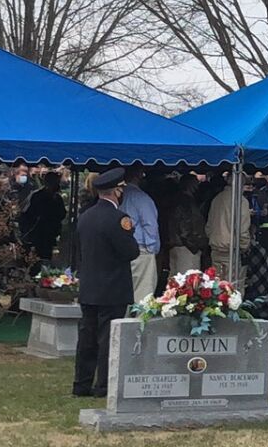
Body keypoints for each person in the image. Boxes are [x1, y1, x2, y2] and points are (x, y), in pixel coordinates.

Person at [71, 169, 142, 398]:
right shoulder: (119, 219)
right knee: (108, 339)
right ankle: (103, 385)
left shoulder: (85, 216)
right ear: (117, 191)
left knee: (87, 338)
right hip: (113, 288)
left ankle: (81, 383)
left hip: (90, 286)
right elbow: (130, 252)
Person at [120, 173, 162, 300]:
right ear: (138, 177)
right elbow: (150, 226)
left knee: (123, 292)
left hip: (120, 248)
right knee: (143, 294)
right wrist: (152, 249)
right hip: (141, 249)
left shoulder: (119, 196)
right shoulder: (142, 198)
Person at [19, 171, 67, 263]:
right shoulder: (36, 196)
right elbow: (26, 214)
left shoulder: (57, 199)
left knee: (47, 260)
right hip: (36, 236)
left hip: (50, 236)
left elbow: (62, 215)